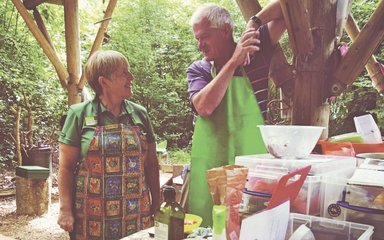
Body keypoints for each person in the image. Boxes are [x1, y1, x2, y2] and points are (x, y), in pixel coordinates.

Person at [186, 2, 286, 226]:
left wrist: (255, 21)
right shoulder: (199, 70)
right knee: (212, 227)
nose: (200, 45)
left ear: (226, 30)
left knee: (251, 224)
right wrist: (233, 62)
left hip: (254, 169)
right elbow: (204, 106)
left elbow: (288, 7)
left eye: (205, 37)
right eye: (197, 39)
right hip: (212, 172)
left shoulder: (255, 49)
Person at [57, 50, 160, 239]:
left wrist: (157, 203)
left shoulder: (140, 114)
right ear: (104, 82)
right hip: (91, 213)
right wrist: (65, 209)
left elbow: (152, 164)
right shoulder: (78, 114)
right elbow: (65, 167)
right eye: (124, 73)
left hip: (136, 211)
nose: (131, 77)